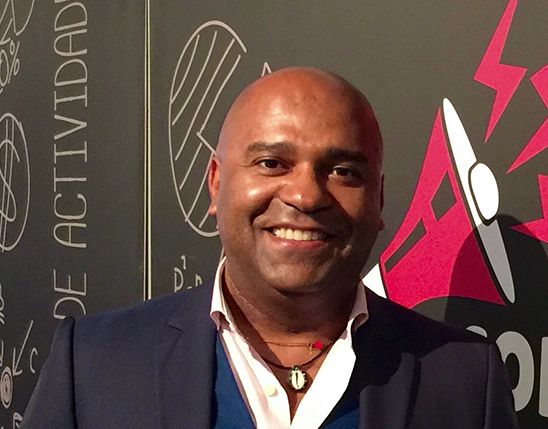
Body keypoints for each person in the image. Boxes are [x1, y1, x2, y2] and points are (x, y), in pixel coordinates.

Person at [23, 67, 518, 428]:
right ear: (216, 183)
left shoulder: (467, 378)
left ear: (379, 199)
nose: (306, 195)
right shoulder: (92, 364)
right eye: (271, 163)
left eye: (343, 171)